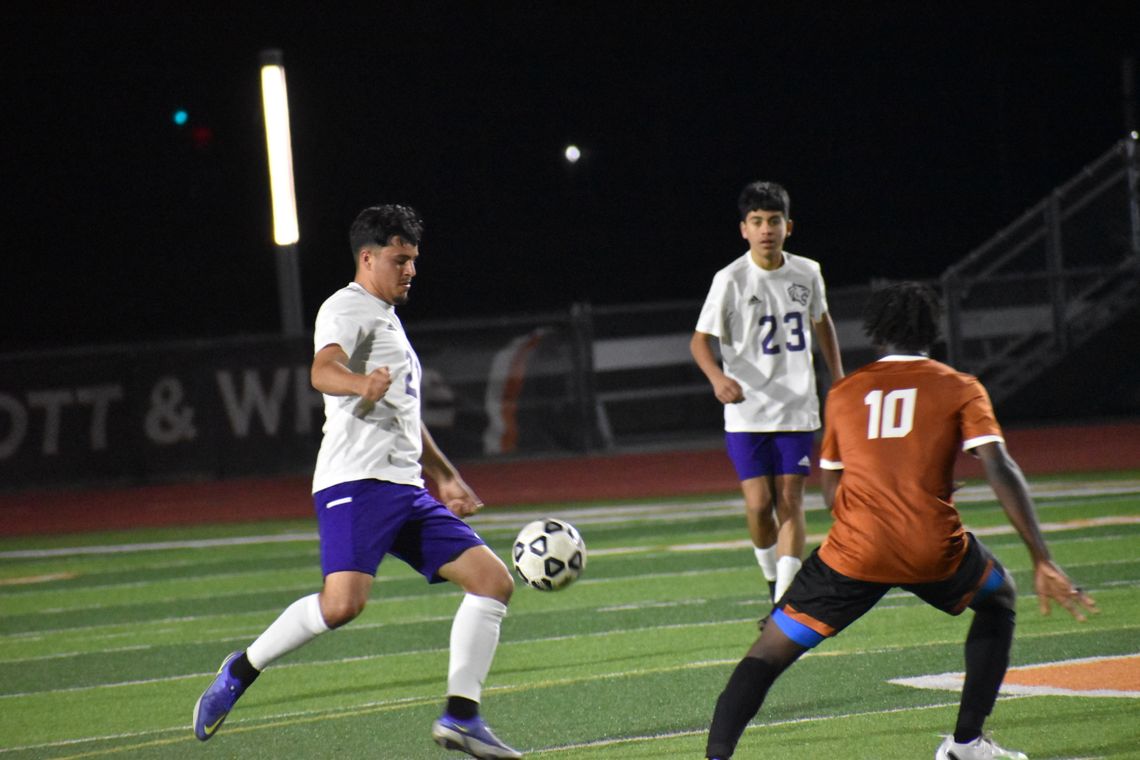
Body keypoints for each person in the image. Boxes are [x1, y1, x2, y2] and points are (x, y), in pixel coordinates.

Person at [704, 281, 1099, 760]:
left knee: (765, 655)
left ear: (877, 335)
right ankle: (967, 744)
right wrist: (1043, 557)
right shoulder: (959, 387)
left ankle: (718, 755)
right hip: (931, 549)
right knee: (1000, 599)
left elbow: (832, 493)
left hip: (855, 554)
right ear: (932, 332)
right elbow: (1000, 467)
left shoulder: (846, 392)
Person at [192, 204, 522, 759]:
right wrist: (357, 384)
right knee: (343, 605)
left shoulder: (388, 318)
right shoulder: (347, 307)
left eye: (414, 260)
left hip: (404, 487)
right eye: (400, 259)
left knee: (493, 582)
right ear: (367, 258)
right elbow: (322, 369)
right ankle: (241, 669)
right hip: (357, 482)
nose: (410, 270)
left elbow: (404, 414)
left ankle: (461, 717)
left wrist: (444, 474)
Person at [690, 181, 844, 610]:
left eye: (774, 221)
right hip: (746, 411)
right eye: (756, 222)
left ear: (788, 226)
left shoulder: (808, 272)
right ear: (744, 229)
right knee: (759, 506)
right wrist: (716, 377)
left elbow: (822, 322)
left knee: (791, 500)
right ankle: (772, 578)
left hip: (796, 406)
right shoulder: (730, 280)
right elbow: (699, 342)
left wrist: (840, 376)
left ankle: (784, 601)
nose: (766, 229)